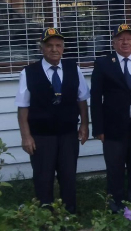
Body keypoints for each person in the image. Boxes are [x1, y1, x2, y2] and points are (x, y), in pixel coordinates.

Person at [15, 28, 90, 214]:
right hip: (41, 136)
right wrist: (26, 137)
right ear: (42, 48)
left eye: (58, 45)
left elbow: (82, 100)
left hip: (68, 133)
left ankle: (69, 215)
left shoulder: (74, 68)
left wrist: (85, 125)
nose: (54, 49)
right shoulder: (29, 72)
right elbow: (22, 108)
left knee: (68, 176)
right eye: (49, 46)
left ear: (63, 48)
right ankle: (45, 217)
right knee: (43, 177)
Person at [90, 24, 131, 212]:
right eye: (121, 39)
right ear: (114, 42)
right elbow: (95, 98)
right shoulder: (103, 64)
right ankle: (115, 205)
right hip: (113, 127)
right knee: (115, 168)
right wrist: (98, 128)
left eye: (129, 39)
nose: (125, 42)